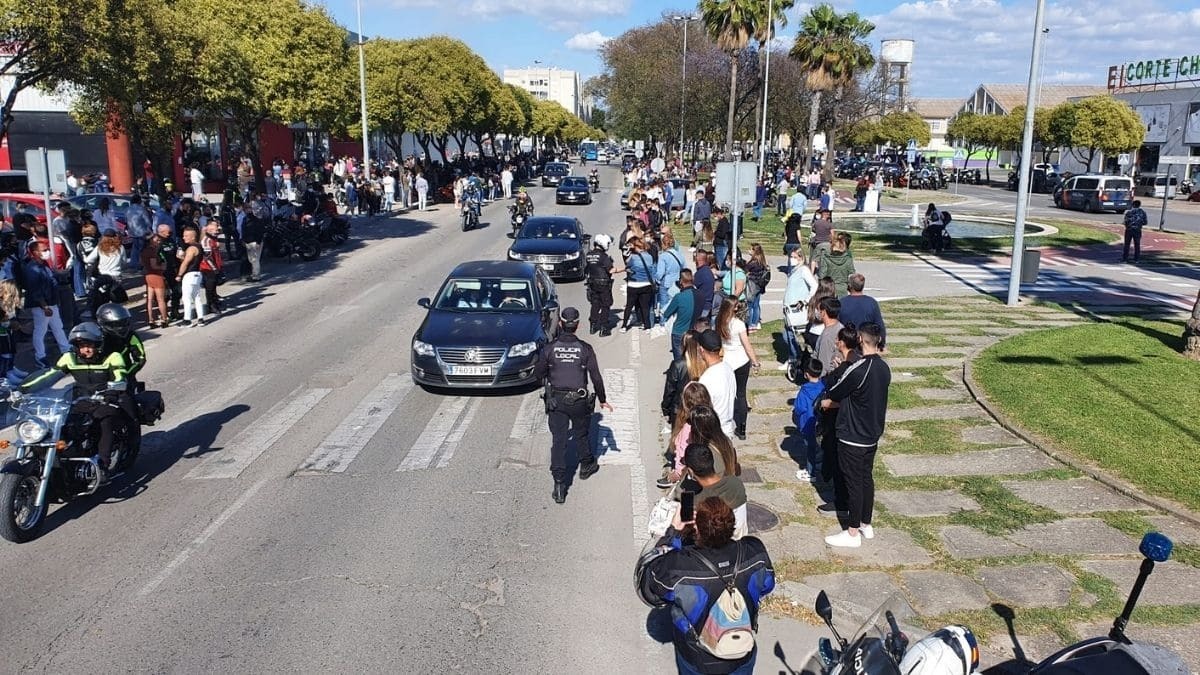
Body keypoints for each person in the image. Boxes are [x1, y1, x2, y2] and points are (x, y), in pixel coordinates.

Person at [637, 494, 774, 675]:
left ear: (697, 528)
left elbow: (652, 587)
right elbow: (768, 585)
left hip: (697, 656)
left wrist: (674, 532)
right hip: (741, 651)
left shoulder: (680, 566)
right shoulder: (754, 551)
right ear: (732, 524)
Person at [20, 322, 130, 483]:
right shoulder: (70, 358)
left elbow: (120, 376)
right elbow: (49, 375)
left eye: (89, 345)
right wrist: (22, 389)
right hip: (80, 399)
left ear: (98, 345)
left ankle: (102, 463)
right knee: (60, 426)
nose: (85, 349)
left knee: (104, 421)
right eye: (81, 346)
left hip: (106, 399)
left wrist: (113, 391)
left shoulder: (112, 357)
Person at [532, 307, 613, 504]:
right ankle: (586, 465)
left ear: (560, 323)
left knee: (559, 441)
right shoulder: (585, 349)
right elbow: (596, 377)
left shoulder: (550, 348)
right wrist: (602, 399)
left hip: (556, 401)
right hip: (579, 399)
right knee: (581, 434)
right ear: (578, 325)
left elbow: (538, 373)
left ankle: (559, 484)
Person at [822, 323, 889, 548]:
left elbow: (835, 390)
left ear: (860, 339)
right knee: (865, 478)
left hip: (853, 434)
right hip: (872, 432)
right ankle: (866, 524)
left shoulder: (860, 368)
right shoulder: (884, 368)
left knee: (853, 483)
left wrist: (840, 368)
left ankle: (851, 532)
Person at [682, 443, 749, 539]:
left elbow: (685, 526)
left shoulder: (693, 498)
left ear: (690, 471)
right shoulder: (736, 483)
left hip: (711, 548)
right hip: (739, 543)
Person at [715, 297, 759, 441]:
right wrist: (755, 361)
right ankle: (742, 428)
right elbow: (747, 346)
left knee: (727, 394)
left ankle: (723, 423)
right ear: (733, 308)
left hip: (726, 361)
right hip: (741, 361)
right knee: (741, 394)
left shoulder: (719, 322)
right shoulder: (739, 324)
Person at [23, 240, 71, 368]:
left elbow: (50, 279)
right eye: (44, 250)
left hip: (51, 302)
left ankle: (65, 349)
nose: (47, 252)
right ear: (35, 253)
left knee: (57, 326)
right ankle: (40, 356)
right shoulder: (32, 269)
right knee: (41, 330)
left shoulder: (43, 264)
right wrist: (44, 306)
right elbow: (35, 290)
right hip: (42, 305)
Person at [659, 379, 710, 487]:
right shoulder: (710, 420)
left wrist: (676, 474)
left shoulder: (687, 427)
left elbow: (682, 454)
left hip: (690, 476)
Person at [780, 248, 818, 369]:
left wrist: (805, 300)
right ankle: (794, 356)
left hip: (798, 310)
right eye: (791, 257)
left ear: (801, 258)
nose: (792, 259)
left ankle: (796, 357)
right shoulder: (794, 271)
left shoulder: (804, 270)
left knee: (789, 335)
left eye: (794, 257)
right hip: (789, 310)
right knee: (789, 334)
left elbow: (814, 285)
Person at [696, 329, 736, 437]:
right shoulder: (728, 369)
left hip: (714, 433)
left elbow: (702, 411)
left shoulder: (706, 379)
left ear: (701, 350)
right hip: (728, 428)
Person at [792, 358, 825, 482]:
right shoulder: (823, 386)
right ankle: (821, 464)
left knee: (810, 448)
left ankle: (811, 472)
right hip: (820, 423)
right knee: (821, 445)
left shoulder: (804, 391)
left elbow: (799, 408)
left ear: (806, 374)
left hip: (807, 424)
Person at [838, 273, 886, 348]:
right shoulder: (871, 302)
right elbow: (880, 326)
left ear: (850, 286)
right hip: (866, 344)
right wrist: (881, 344)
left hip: (847, 344)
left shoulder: (842, 302)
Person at [584, 234, 617, 336]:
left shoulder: (589, 255)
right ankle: (604, 328)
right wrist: (624, 269)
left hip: (592, 284)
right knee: (606, 305)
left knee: (595, 304)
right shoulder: (603, 256)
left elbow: (586, 271)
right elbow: (611, 270)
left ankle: (593, 326)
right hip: (603, 284)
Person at [661, 269, 696, 360]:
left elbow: (666, 313)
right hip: (694, 332)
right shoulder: (699, 294)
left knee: (679, 361)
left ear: (681, 281)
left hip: (679, 332)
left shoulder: (679, 297)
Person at [622, 238, 656, 332]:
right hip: (646, 284)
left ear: (636, 247)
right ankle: (647, 325)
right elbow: (652, 271)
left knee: (629, 306)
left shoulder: (633, 257)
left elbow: (627, 264)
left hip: (633, 284)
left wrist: (628, 252)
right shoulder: (649, 257)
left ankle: (624, 326)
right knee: (645, 307)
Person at [176, 226, 206, 327]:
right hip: (198, 274)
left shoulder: (191, 248)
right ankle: (201, 319)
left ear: (193, 237)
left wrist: (179, 275)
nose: (184, 238)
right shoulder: (199, 246)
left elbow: (186, 263)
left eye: (186, 236)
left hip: (190, 274)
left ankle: (187, 319)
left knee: (186, 298)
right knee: (197, 297)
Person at [140, 226, 169, 328]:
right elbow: (154, 265)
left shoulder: (143, 251)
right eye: (155, 239)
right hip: (156, 275)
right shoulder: (152, 251)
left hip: (148, 275)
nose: (157, 240)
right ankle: (164, 319)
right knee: (161, 299)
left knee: (150, 299)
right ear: (151, 240)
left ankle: (151, 320)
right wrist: (163, 266)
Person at [816, 232, 855, 298]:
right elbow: (851, 272)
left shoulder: (825, 255)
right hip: (843, 288)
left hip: (829, 288)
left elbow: (822, 274)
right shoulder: (848, 256)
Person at [813, 297, 843, 377]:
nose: (817, 312)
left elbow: (823, 366)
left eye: (818, 309)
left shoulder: (827, 336)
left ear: (823, 313)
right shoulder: (840, 327)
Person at [200, 221, 224, 315]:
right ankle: (211, 306)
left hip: (216, 266)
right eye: (215, 230)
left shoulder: (214, 239)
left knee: (214, 287)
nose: (217, 231)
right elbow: (207, 257)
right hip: (208, 268)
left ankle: (215, 302)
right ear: (209, 230)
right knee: (210, 288)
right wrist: (215, 269)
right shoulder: (206, 240)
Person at [745, 244, 770, 331]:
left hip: (752, 286)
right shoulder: (762, 262)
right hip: (759, 286)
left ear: (754, 252)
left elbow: (746, 270)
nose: (749, 250)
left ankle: (750, 323)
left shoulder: (753, 263)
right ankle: (756, 322)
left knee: (750, 305)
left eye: (750, 249)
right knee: (756, 305)